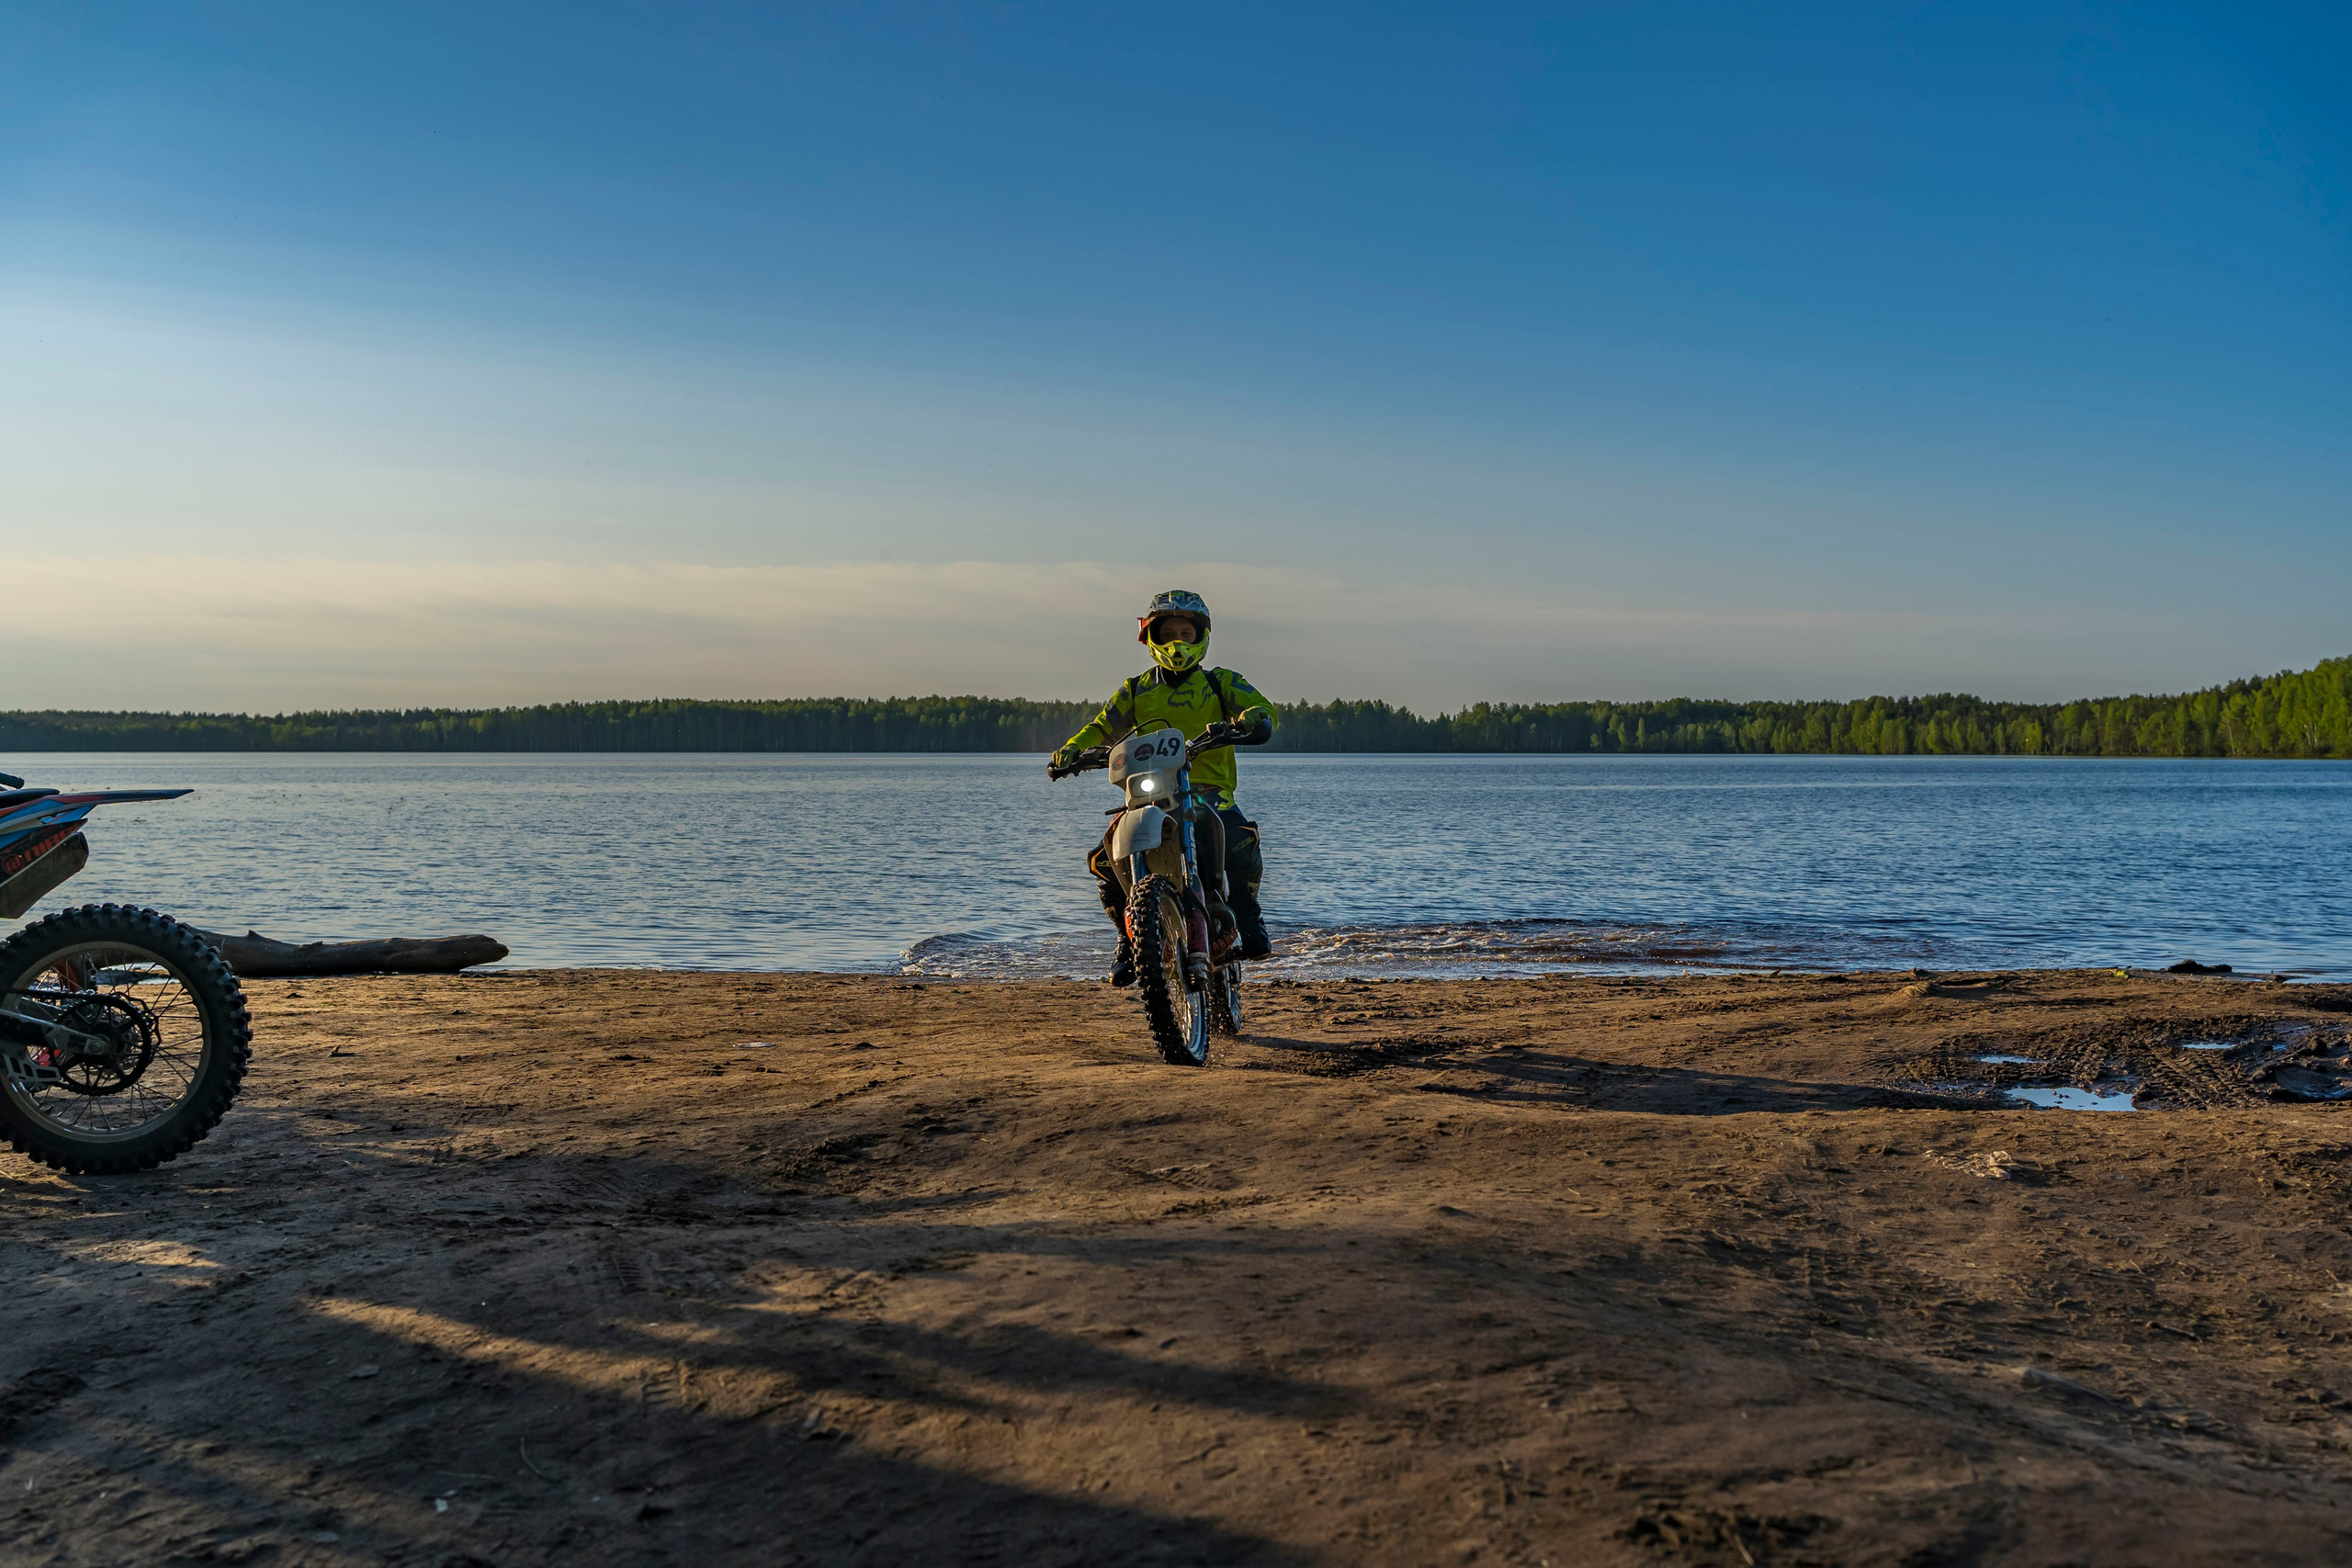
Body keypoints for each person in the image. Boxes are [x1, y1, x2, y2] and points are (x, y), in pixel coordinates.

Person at [1051, 589, 1279, 986]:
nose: (1177, 642)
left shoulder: (1220, 682)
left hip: (1208, 788)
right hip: (1146, 792)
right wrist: (1072, 749)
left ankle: (1248, 914)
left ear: (1201, 637)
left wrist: (1252, 719)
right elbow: (1102, 727)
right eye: (1169, 633)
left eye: (1186, 633)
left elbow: (1261, 708)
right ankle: (1128, 938)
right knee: (1104, 858)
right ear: (1152, 638)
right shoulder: (1135, 690)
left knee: (1239, 839)